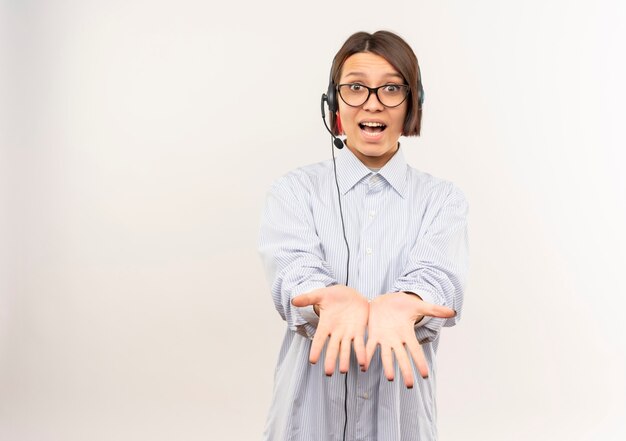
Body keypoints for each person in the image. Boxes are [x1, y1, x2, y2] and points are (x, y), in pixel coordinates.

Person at [259, 30, 469, 441]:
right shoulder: (293, 192)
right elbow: (292, 269)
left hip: (401, 427)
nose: (372, 102)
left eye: (391, 88)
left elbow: (438, 276)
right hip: (307, 425)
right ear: (333, 103)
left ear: (412, 104)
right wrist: (327, 298)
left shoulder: (444, 200)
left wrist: (408, 303)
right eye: (355, 87)